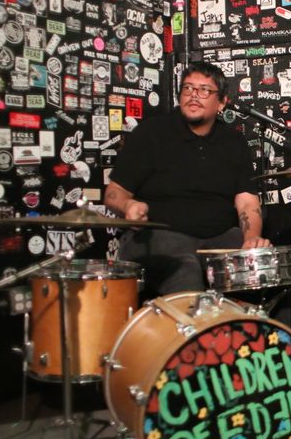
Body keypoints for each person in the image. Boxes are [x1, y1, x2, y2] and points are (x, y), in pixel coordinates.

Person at [104, 61, 270, 296]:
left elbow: (247, 202)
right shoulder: (151, 133)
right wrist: (128, 205)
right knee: (185, 271)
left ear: (222, 102)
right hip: (160, 236)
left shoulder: (233, 142)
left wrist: (251, 240)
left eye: (205, 90)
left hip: (218, 236)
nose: (194, 95)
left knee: (266, 271)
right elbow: (113, 193)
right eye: (188, 88)